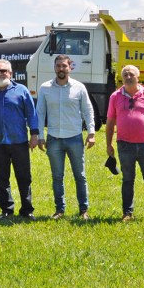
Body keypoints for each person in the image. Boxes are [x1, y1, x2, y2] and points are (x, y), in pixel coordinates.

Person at [37, 54, 96, 220]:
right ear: (54, 68)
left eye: (64, 66)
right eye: (58, 66)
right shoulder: (45, 88)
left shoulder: (79, 87)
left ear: (70, 67)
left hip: (75, 138)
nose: (61, 69)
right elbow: (40, 113)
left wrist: (91, 133)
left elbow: (88, 110)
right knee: (57, 177)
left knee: (80, 176)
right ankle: (59, 210)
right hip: (54, 138)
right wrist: (40, 136)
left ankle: (84, 210)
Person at [105, 64, 144, 222]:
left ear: (138, 77)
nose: (128, 77)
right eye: (125, 74)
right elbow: (110, 121)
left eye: (131, 74)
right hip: (124, 145)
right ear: (122, 77)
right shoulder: (115, 96)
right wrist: (109, 144)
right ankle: (127, 213)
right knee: (127, 179)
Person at [0, 59, 39, 221]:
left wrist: (34, 134)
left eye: (4, 71)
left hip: (19, 141)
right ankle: (7, 210)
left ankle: (27, 209)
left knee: (24, 177)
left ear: (10, 73)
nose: (1, 74)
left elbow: (31, 113)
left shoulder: (21, 90)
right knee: (1, 178)